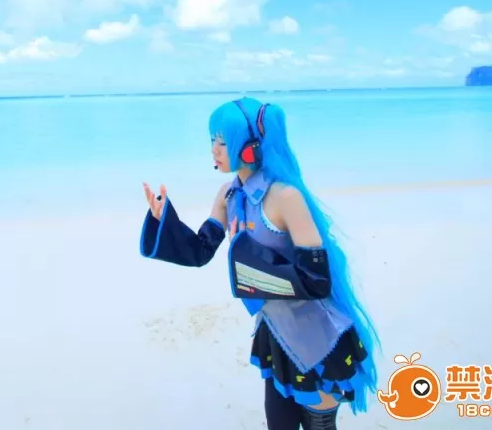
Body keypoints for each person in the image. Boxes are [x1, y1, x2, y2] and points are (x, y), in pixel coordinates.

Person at [139, 97, 380, 430]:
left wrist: (248, 256)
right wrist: (163, 219)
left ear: (250, 145)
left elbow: (317, 280)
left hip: (316, 339)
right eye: (212, 140)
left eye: (223, 141)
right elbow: (200, 251)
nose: (214, 149)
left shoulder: (285, 198)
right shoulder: (228, 196)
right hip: (276, 334)